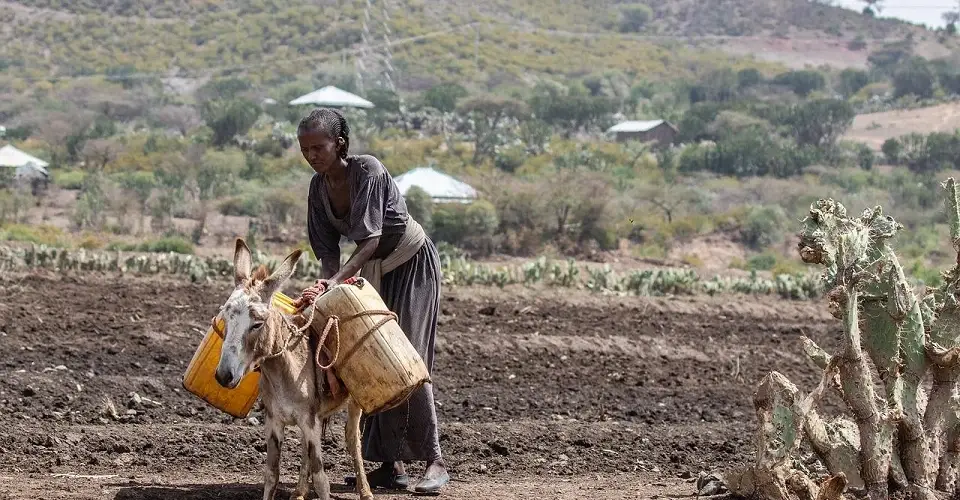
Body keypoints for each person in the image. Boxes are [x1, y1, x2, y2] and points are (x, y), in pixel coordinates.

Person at [291, 107, 449, 494]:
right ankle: (390, 465)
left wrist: (334, 283)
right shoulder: (318, 188)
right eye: (305, 149)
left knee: (405, 357)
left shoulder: (369, 171)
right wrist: (327, 282)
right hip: (369, 270)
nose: (312, 156)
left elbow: (371, 240)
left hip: (410, 263)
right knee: (363, 355)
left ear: (339, 144)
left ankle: (435, 461)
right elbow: (328, 251)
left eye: (319, 147)